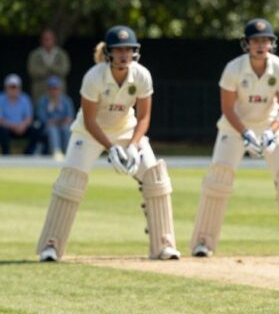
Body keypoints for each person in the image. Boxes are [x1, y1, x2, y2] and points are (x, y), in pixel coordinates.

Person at [36, 26, 180, 262]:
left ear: (135, 52)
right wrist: (110, 148)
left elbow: (143, 117)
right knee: (70, 181)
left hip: (126, 130)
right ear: (109, 53)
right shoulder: (94, 76)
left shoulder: (142, 75)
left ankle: (163, 245)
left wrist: (133, 145)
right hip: (90, 132)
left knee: (155, 176)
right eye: (119, 49)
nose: (124, 54)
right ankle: (50, 245)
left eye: (129, 50)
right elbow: (90, 119)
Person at [190, 19, 279, 257]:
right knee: (218, 178)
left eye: (265, 40)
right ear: (246, 44)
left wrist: (270, 131)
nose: (260, 45)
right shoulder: (233, 69)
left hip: (271, 128)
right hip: (234, 128)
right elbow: (227, 108)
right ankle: (203, 242)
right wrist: (245, 133)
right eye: (255, 40)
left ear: (271, 44)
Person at [27, 29, 71, 103]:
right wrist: (53, 70)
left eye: (49, 39)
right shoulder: (34, 55)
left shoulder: (62, 54)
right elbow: (33, 71)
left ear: (54, 40)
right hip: (40, 91)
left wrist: (48, 68)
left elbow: (64, 69)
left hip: (59, 92)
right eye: (45, 39)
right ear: (41, 40)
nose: (47, 41)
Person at [35, 76, 75, 159]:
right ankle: (56, 151)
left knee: (66, 128)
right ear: (48, 90)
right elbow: (43, 119)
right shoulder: (43, 101)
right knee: (52, 129)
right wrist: (57, 121)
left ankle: (67, 152)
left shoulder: (66, 100)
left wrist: (58, 121)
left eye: (56, 88)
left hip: (63, 126)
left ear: (60, 89)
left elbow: (70, 118)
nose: (54, 91)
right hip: (47, 129)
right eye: (51, 88)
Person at [0, 74, 34, 155]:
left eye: (15, 87)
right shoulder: (0, 99)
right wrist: (13, 126)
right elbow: (0, 120)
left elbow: (29, 118)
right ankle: (6, 155)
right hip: (7, 127)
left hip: (22, 127)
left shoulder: (25, 98)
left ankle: (28, 154)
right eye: (11, 87)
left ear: (19, 88)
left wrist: (23, 126)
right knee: (2, 131)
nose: (13, 89)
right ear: (6, 88)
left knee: (36, 130)